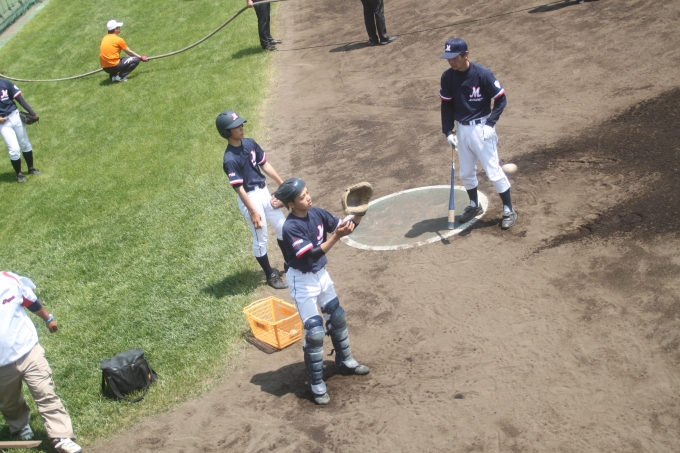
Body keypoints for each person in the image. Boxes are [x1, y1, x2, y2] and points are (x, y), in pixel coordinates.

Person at [274, 178, 369, 406]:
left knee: (336, 317)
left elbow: (344, 227)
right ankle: (316, 382)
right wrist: (336, 237)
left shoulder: (317, 213)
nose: (308, 197)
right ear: (291, 204)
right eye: (302, 197)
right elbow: (312, 254)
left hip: (320, 275)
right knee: (315, 332)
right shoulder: (290, 227)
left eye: (307, 192)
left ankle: (344, 361)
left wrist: (358, 214)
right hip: (301, 281)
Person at [0, 271, 83, 453]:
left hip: (29, 350)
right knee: (9, 402)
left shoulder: (9, 281)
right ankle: (20, 425)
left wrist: (48, 318)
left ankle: (62, 437)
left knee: (46, 392)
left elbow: (31, 301)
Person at [439, 37, 517, 230]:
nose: (451, 61)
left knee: (493, 171)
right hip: (462, 130)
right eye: (448, 57)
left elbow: (501, 99)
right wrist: (448, 131)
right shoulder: (447, 77)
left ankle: (508, 209)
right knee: (466, 172)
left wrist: (490, 123)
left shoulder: (482, 74)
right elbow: (446, 106)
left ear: (466, 54)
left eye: (455, 57)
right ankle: (474, 205)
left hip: (482, 129)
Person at [216, 110, 288, 289]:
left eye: (241, 124)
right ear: (226, 132)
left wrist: (282, 184)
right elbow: (239, 188)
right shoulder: (229, 159)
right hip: (250, 199)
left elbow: (264, 164)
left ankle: (290, 262)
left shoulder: (250, 143)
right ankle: (270, 275)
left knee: (283, 227)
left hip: (264, 192)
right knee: (261, 237)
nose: (241, 127)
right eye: (236, 126)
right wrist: (253, 212)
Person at [0, 79, 40, 183]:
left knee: (25, 143)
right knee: (14, 149)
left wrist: (32, 113)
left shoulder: (5, 83)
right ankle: (19, 174)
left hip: (15, 115)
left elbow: (19, 98)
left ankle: (31, 168)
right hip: (3, 123)